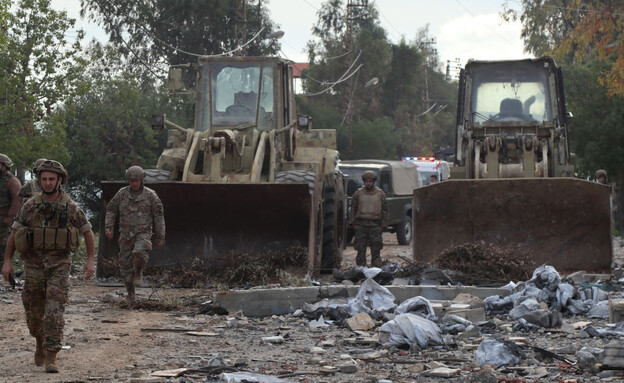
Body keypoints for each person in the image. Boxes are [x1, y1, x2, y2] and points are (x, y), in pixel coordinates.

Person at [1, 160, 95, 373]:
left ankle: (52, 354)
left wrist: (90, 261)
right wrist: (7, 262)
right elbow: (15, 234)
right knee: (33, 315)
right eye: (44, 179)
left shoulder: (70, 206)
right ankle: (39, 341)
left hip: (59, 266)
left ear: (59, 180)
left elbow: (87, 232)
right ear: (39, 181)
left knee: (54, 310)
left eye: (52, 179)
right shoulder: (30, 205)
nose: (48, 182)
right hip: (33, 265)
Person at [105, 165, 165, 304]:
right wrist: (109, 228)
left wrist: (160, 236)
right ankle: (131, 294)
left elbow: (159, 216)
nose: (134, 184)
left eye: (136, 181)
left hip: (143, 233)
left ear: (142, 179)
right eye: (131, 181)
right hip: (125, 234)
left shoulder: (151, 195)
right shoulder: (122, 193)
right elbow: (111, 210)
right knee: (125, 266)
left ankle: (139, 271)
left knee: (139, 252)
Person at [350, 170, 388, 267]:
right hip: (361, 225)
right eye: (366, 181)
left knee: (376, 249)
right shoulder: (358, 193)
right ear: (364, 181)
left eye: (370, 181)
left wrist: (383, 224)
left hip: (375, 225)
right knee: (360, 249)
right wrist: (352, 222)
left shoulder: (380, 193)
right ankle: (361, 268)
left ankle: (375, 268)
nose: (368, 183)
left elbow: (385, 210)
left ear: (374, 181)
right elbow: (353, 208)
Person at [0, 153, 22, 254]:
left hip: (4, 218)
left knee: (3, 245)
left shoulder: (12, 181)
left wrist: (9, 218)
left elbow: (17, 200)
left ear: (4, 165)